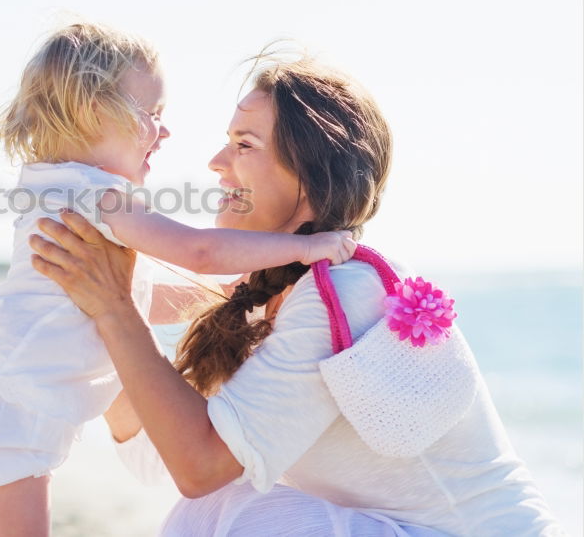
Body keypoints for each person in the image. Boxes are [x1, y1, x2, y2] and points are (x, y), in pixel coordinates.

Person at [29, 50, 564, 536]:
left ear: (311, 179)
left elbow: (200, 467)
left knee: (249, 517)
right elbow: (165, 458)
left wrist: (115, 310)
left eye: (245, 144)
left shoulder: (346, 292)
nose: (216, 161)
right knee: (219, 510)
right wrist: (91, 315)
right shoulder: (264, 296)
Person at [0, 24, 356, 537]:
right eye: (153, 115)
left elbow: (140, 299)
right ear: (93, 112)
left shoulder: (56, 188)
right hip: (5, 414)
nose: (165, 132)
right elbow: (200, 250)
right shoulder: (98, 196)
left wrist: (239, 296)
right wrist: (306, 247)